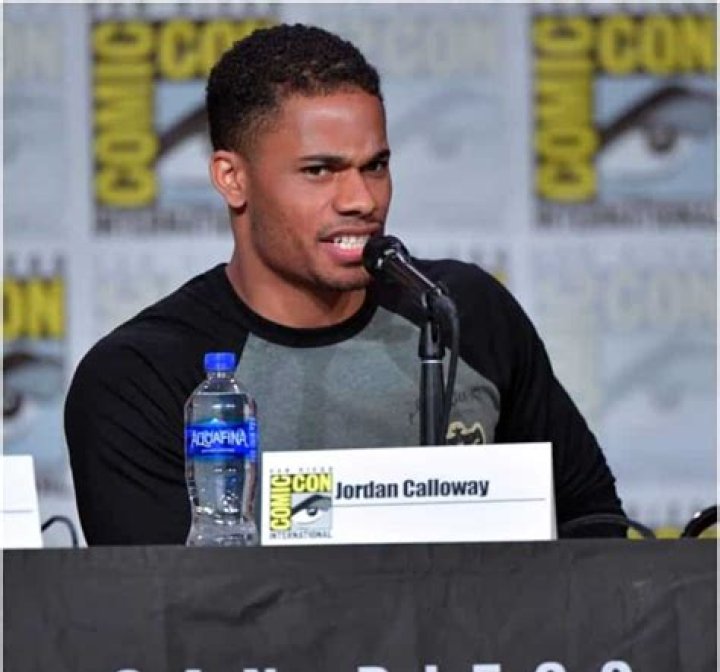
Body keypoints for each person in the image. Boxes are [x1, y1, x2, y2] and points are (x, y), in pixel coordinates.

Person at [65, 23, 625, 545]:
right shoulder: (142, 376)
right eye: (319, 171)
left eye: (375, 166)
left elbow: (593, 527)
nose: (362, 200)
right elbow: (158, 603)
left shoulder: (459, 312)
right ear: (232, 178)